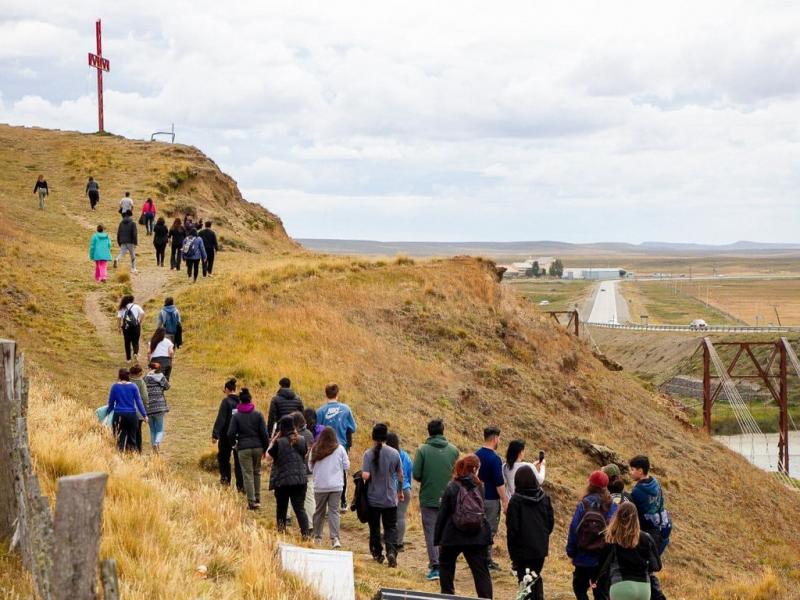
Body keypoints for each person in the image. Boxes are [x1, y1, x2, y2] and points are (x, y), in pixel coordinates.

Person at [434, 454, 493, 599]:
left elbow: (443, 514)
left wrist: (438, 539)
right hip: (476, 536)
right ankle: (486, 598)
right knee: (481, 573)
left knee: (446, 567)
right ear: (476, 469)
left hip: (453, 535)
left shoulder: (452, 486)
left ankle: (447, 596)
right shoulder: (480, 487)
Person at [412, 418, 459, 581]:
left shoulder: (422, 450)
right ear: (443, 430)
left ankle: (436, 566)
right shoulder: (454, 450)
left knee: (431, 532)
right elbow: (458, 474)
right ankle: (447, 564)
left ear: (429, 432)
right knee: (447, 532)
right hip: (450, 497)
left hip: (429, 497)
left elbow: (416, 474)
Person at [566, 470, 619, 600]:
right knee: (601, 592)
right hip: (603, 557)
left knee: (579, 587)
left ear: (590, 484)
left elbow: (574, 528)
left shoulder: (584, 504)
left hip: (583, 555)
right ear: (606, 486)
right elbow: (615, 532)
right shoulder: (612, 505)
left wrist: (571, 552)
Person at [506, 465, 554, 600]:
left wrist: (513, 553)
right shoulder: (544, 498)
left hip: (521, 550)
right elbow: (550, 523)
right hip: (539, 548)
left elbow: (512, 529)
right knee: (535, 576)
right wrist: (542, 536)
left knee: (524, 580)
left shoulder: (515, 501)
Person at [600, 503, 662, 600]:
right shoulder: (646, 538)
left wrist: (594, 578)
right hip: (643, 588)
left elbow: (603, 564)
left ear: (617, 516)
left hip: (620, 585)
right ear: (636, 518)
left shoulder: (612, 538)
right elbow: (657, 566)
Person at [629, 456, 671, 600]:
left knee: (644, 569)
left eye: (633, 469)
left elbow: (635, 516)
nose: (630, 472)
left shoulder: (637, 492)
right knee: (648, 568)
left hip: (647, 534)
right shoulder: (656, 484)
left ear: (640, 471)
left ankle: (658, 597)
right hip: (661, 531)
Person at [361, 423, 403, 567]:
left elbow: (366, 476)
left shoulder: (368, 454)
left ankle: (377, 554)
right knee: (391, 526)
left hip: (373, 499)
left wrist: (363, 474)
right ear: (386, 437)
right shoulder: (394, 453)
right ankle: (391, 551)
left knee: (375, 527)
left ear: (373, 437)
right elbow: (400, 475)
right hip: (390, 498)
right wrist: (400, 491)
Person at [268, 415, 311, 536]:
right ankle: (306, 534)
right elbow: (304, 454)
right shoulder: (302, 440)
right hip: (300, 480)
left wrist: (274, 439)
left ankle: (281, 532)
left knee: (281, 508)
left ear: (281, 428)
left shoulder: (278, 442)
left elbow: (268, 457)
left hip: (283, 481)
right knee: (300, 509)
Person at [316, 383, 357, 510]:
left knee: (324, 470)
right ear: (337, 393)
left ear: (326, 393)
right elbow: (353, 428)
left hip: (324, 445)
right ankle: (343, 502)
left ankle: (326, 501)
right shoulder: (346, 409)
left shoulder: (320, 411)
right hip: (341, 445)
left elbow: (317, 429)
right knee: (342, 472)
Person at [228, 389, 269, 510]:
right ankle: (257, 498)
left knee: (248, 474)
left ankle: (251, 501)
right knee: (257, 472)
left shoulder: (236, 416)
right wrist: (265, 448)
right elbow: (264, 434)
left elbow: (230, 433)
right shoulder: (258, 414)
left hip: (243, 448)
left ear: (240, 401)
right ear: (250, 400)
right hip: (258, 447)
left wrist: (234, 445)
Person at [310, 426, 350, 548]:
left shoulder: (315, 448)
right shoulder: (340, 449)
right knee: (334, 512)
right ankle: (335, 539)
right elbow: (346, 466)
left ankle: (317, 538)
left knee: (319, 512)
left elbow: (310, 467)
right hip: (336, 486)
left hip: (320, 486)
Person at [475, 426, 508, 571]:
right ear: (495, 438)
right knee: (490, 530)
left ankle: (477, 557)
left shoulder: (476, 455)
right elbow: (499, 483)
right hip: (491, 499)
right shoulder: (495, 459)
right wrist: (505, 500)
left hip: (476, 497)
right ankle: (486, 559)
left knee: (477, 528)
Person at [212, 378, 243, 492]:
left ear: (226, 389)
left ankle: (225, 481)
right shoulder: (242, 402)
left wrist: (215, 434)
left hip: (226, 436)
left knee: (224, 458)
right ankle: (241, 486)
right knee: (239, 462)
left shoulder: (226, 402)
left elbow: (221, 418)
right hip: (240, 436)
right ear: (235, 389)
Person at [107, 368, 147, 452]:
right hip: (131, 415)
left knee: (119, 439)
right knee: (132, 439)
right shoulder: (133, 386)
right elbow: (139, 402)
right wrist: (144, 415)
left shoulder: (115, 387)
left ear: (119, 376)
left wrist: (107, 413)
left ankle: (120, 458)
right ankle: (131, 457)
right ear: (128, 375)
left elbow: (111, 403)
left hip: (118, 415)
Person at [386, 432, 413, 551]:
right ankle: (400, 543)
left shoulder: (387, 455)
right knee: (401, 517)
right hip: (406, 489)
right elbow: (409, 472)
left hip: (391, 489)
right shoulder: (406, 456)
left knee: (389, 517)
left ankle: (390, 540)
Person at [291, 411, 316, 527]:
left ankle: (292, 520)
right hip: (308, 470)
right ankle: (311, 523)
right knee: (310, 497)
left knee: (295, 498)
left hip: (295, 470)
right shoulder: (309, 434)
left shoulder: (293, 437)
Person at [144, 361, 170, 452]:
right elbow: (167, 387)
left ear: (150, 368)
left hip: (149, 407)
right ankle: (157, 443)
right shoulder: (161, 377)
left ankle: (153, 449)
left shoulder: (145, 378)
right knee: (160, 429)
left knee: (152, 430)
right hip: (160, 406)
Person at [117, 295, 144, 362]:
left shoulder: (122, 308)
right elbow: (142, 313)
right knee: (136, 341)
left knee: (127, 342)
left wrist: (119, 327)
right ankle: (135, 353)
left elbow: (119, 318)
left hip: (126, 327)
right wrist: (139, 321)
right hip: (136, 326)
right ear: (132, 300)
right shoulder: (136, 306)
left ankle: (128, 359)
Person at [128, 364, 148, 452]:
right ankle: (138, 450)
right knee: (138, 431)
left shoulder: (126, 380)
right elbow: (145, 397)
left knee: (126, 430)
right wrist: (145, 411)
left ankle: (128, 448)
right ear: (139, 373)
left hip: (125, 409)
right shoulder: (141, 382)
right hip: (138, 412)